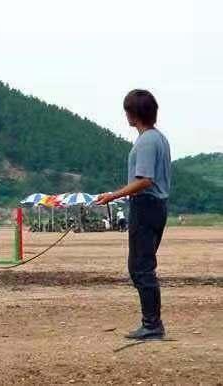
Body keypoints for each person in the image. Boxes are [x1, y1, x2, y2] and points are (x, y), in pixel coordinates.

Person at [96, 89, 171, 340]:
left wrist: (112, 196)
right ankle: (151, 323)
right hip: (154, 206)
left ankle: (152, 325)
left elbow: (145, 180)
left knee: (141, 267)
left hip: (146, 205)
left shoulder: (147, 140)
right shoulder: (157, 138)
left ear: (133, 114)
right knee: (140, 265)